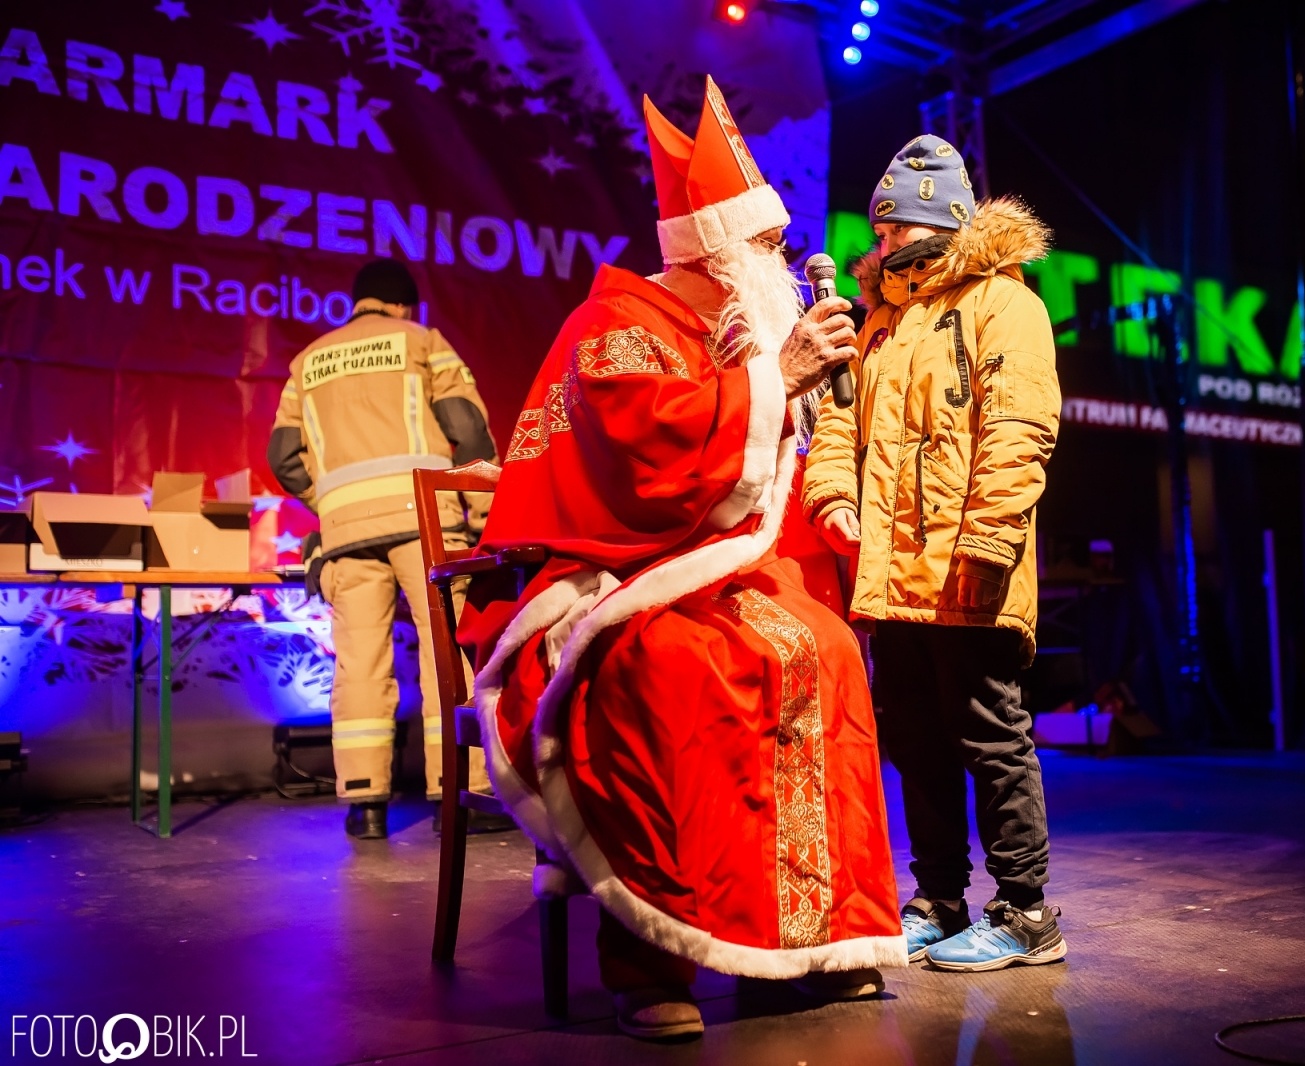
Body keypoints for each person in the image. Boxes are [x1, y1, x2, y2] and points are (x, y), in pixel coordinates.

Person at [460, 76, 905, 1042]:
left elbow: (756, 477)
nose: (784, 262)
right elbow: (648, 464)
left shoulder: (741, 326)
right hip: (614, 571)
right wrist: (774, 380)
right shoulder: (618, 323)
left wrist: (802, 404)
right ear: (718, 248)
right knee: (662, 672)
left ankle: (802, 946)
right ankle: (649, 960)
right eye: (767, 245)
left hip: (723, 573)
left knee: (821, 651)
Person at [802, 135, 1065, 972]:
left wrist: (988, 540)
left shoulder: (1004, 305)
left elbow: (1018, 430)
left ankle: (1027, 913)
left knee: (991, 735)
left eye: (889, 230)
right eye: (876, 233)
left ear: (930, 225)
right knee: (916, 739)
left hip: (968, 569)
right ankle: (940, 900)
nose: (876, 244)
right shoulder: (879, 319)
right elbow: (840, 426)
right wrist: (833, 498)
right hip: (893, 576)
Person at [269, 258, 500, 841]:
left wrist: (330, 499)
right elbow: (467, 428)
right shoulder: (421, 341)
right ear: (403, 306)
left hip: (345, 533)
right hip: (423, 520)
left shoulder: (307, 362)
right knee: (445, 653)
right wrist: (478, 511)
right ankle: (459, 793)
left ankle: (365, 806)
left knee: (359, 664)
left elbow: (282, 456)